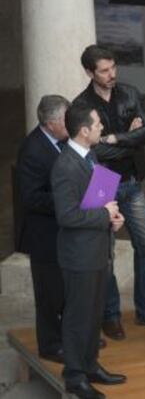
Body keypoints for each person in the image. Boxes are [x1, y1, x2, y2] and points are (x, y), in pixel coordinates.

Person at [75, 45, 145, 341]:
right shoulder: (82, 105)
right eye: (104, 70)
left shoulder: (130, 94)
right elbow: (94, 147)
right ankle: (110, 316)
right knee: (104, 254)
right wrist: (128, 138)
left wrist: (116, 136)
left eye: (113, 68)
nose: (111, 74)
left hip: (132, 179)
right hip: (102, 181)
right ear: (89, 72)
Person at [51, 102, 126, 399]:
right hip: (78, 256)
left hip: (96, 249)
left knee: (94, 312)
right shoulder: (64, 166)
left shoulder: (90, 155)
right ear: (84, 131)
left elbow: (97, 199)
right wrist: (103, 215)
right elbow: (66, 216)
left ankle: (90, 364)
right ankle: (74, 375)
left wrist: (112, 218)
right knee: (77, 316)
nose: (101, 128)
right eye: (97, 125)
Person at [16, 95, 69, 363]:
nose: (70, 123)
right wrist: (69, 200)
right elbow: (32, 197)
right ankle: (50, 345)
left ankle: (71, 337)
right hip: (43, 235)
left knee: (66, 288)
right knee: (49, 292)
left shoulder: (61, 141)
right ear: (50, 124)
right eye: (65, 119)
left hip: (63, 231)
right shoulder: (33, 149)